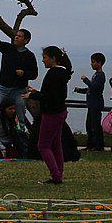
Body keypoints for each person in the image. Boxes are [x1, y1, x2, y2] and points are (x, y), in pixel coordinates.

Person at [0, 23, 36, 129]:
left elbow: (34, 74)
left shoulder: (30, 56)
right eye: (16, 35)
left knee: (21, 112)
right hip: (3, 88)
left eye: (19, 36)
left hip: (19, 91)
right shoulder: (8, 48)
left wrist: (24, 74)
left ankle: (21, 133)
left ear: (26, 41)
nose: (16, 37)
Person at [27, 47, 73, 185]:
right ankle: (58, 174)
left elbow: (50, 97)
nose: (43, 60)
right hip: (60, 111)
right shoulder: (62, 73)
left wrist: (33, 95)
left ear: (53, 58)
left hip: (52, 113)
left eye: (45, 57)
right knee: (55, 144)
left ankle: (56, 175)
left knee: (43, 145)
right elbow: (55, 94)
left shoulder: (53, 74)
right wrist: (37, 92)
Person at [80, 53, 107, 151]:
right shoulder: (96, 75)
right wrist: (80, 90)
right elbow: (90, 88)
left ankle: (98, 146)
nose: (91, 64)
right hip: (91, 104)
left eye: (93, 62)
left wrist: (86, 80)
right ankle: (90, 144)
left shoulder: (100, 76)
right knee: (89, 125)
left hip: (96, 104)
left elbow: (94, 88)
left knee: (95, 126)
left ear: (99, 63)